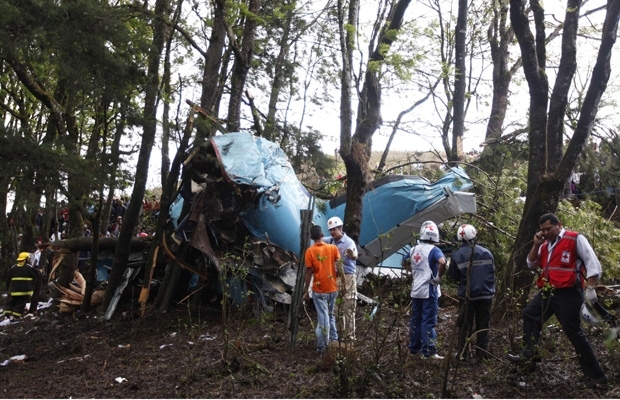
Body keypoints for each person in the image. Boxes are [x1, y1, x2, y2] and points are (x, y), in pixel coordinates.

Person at [508, 213, 608, 385]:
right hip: (548, 291)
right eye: (542, 230)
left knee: (574, 334)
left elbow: (593, 265)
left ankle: (596, 376)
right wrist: (536, 244)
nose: (546, 232)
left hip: (568, 294)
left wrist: (590, 289)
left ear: (559, 225)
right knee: (530, 315)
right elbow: (531, 264)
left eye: (548, 228)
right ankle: (529, 356)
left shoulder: (575, 239)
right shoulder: (544, 244)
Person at [447, 224, 495, 360]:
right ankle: (482, 354)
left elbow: (453, 277)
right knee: (483, 324)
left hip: (467, 297)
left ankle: (463, 354)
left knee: (464, 325)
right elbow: (492, 272)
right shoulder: (487, 252)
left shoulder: (456, 255)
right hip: (486, 295)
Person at [403, 221, 446, 359]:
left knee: (416, 319)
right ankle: (429, 352)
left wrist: (412, 271)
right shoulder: (434, 250)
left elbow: (404, 262)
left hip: (416, 289)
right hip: (429, 289)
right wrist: (438, 277)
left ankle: (414, 348)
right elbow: (443, 262)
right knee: (429, 321)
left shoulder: (413, 249)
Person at [303, 225, 342, 353]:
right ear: (323, 235)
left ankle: (322, 347)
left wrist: (306, 291)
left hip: (319, 290)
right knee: (330, 315)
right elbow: (339, 266)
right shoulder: (332, 248)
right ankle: (334, 340)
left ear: (310, 237)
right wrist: (342, 284)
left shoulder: (309, 251)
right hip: (332, 287)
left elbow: (309, 272)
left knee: (323, 319)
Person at [325, 216, 358, 342]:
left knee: (348, 306)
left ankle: (350, 336)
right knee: (336, 307)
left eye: (334, 229)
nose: (332, 232)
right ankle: (338, 334)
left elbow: (354, 256)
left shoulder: (349, 242)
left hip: (348, 276)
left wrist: (352, 255)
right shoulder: (330, 241)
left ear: (341, 228)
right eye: (330, 230)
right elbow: (318, 239)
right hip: (335, 277)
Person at [3, 252, 39, 319]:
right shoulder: (29, 268)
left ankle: (7, 313)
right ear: (26, 259)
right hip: (25, 290)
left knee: (12, 301)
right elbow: (36, 276)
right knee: (21, 302)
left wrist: (7, 288)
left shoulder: (13, 268)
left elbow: (8, 279)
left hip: (14, 290)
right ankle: (16, 315)